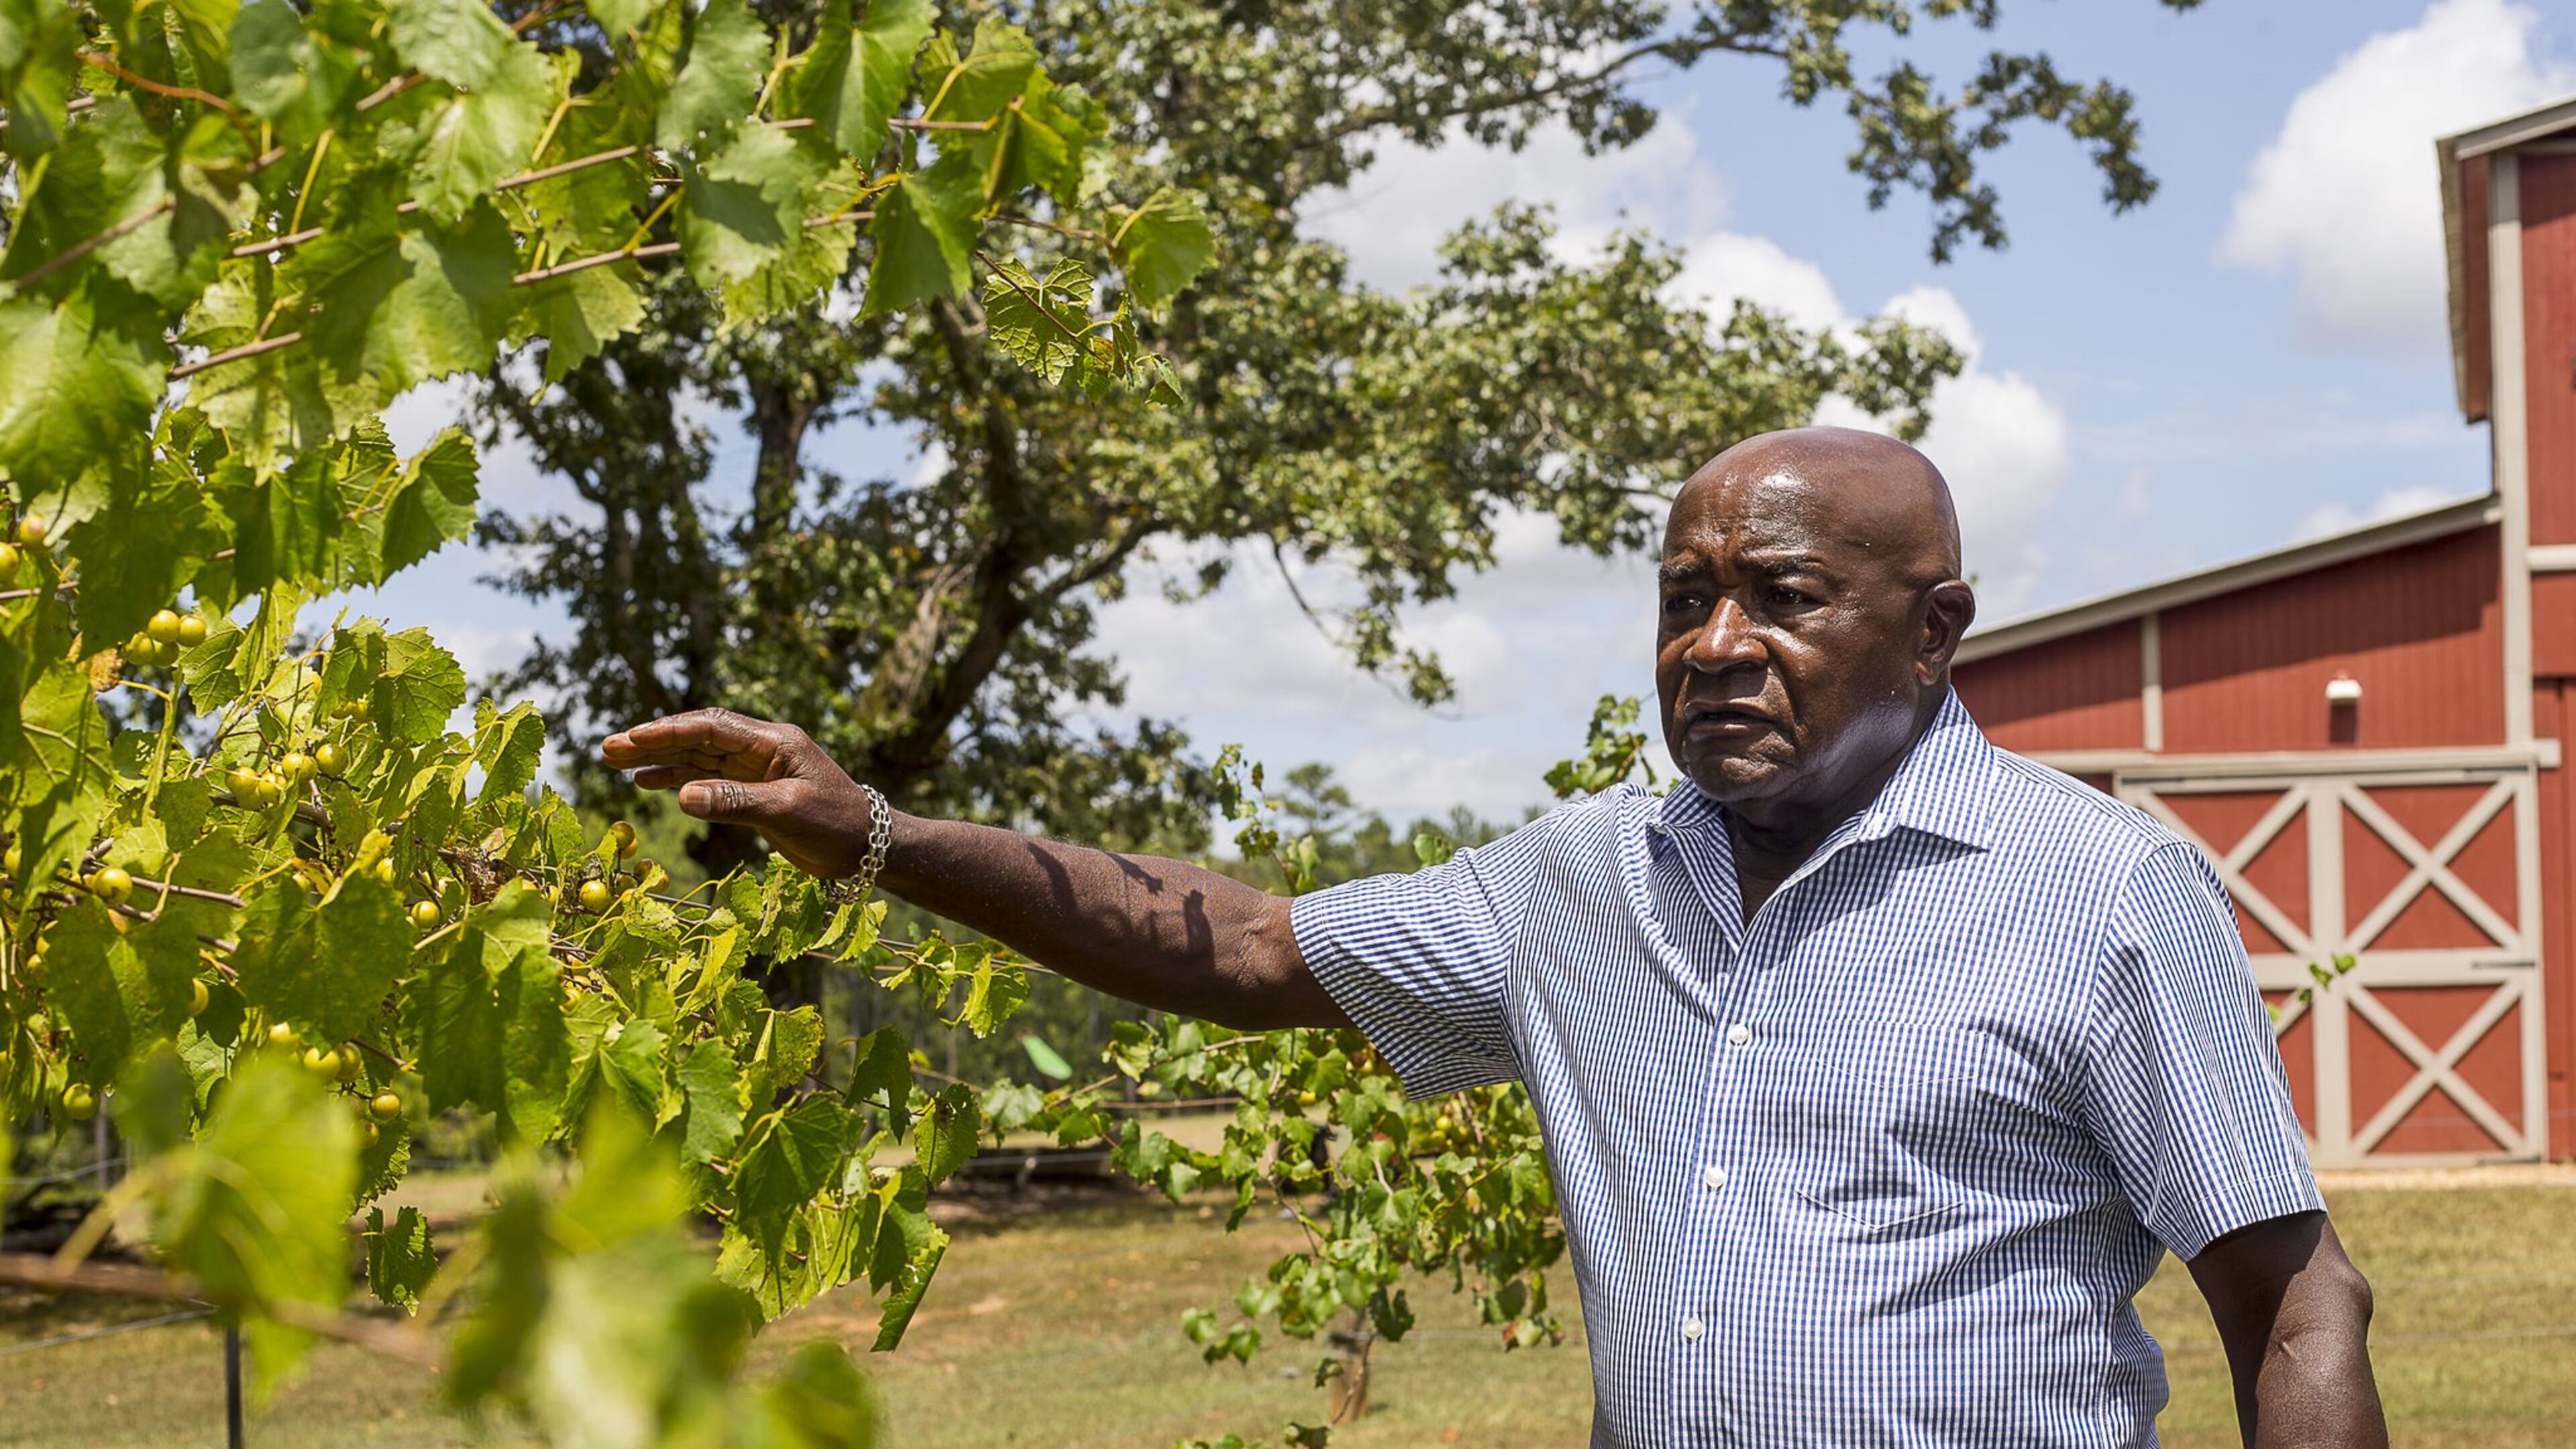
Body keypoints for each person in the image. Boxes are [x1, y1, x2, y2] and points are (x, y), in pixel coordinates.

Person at [602, 427, 2385, 1448]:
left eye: (1783, 599)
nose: (1715, 644)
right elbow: (1239, 950)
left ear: (1938, 632)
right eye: (1685, 600)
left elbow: (2293, 1298)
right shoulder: (1580, 883)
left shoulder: (2092, 888)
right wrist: (883, 835)